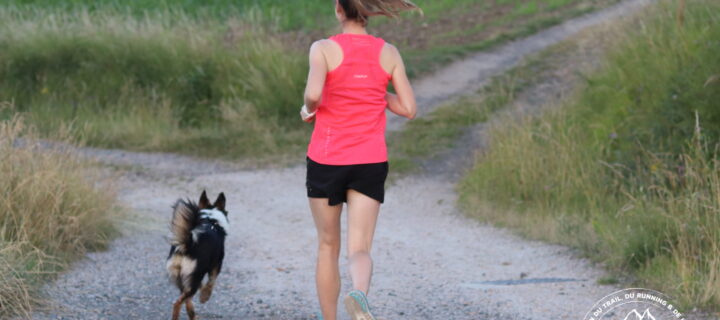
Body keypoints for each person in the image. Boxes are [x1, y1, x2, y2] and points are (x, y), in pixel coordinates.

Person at [300, 0, 419, 319]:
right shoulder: (389, 52)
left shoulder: (322, 48)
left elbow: (313, 94)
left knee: (328, 246)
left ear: (339, 9)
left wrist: (308, 109)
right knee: (360, 248)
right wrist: (374, 90)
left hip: (327, 159)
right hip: (369, 160)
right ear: (367, 12)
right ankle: (359, 294)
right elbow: (408, 108)